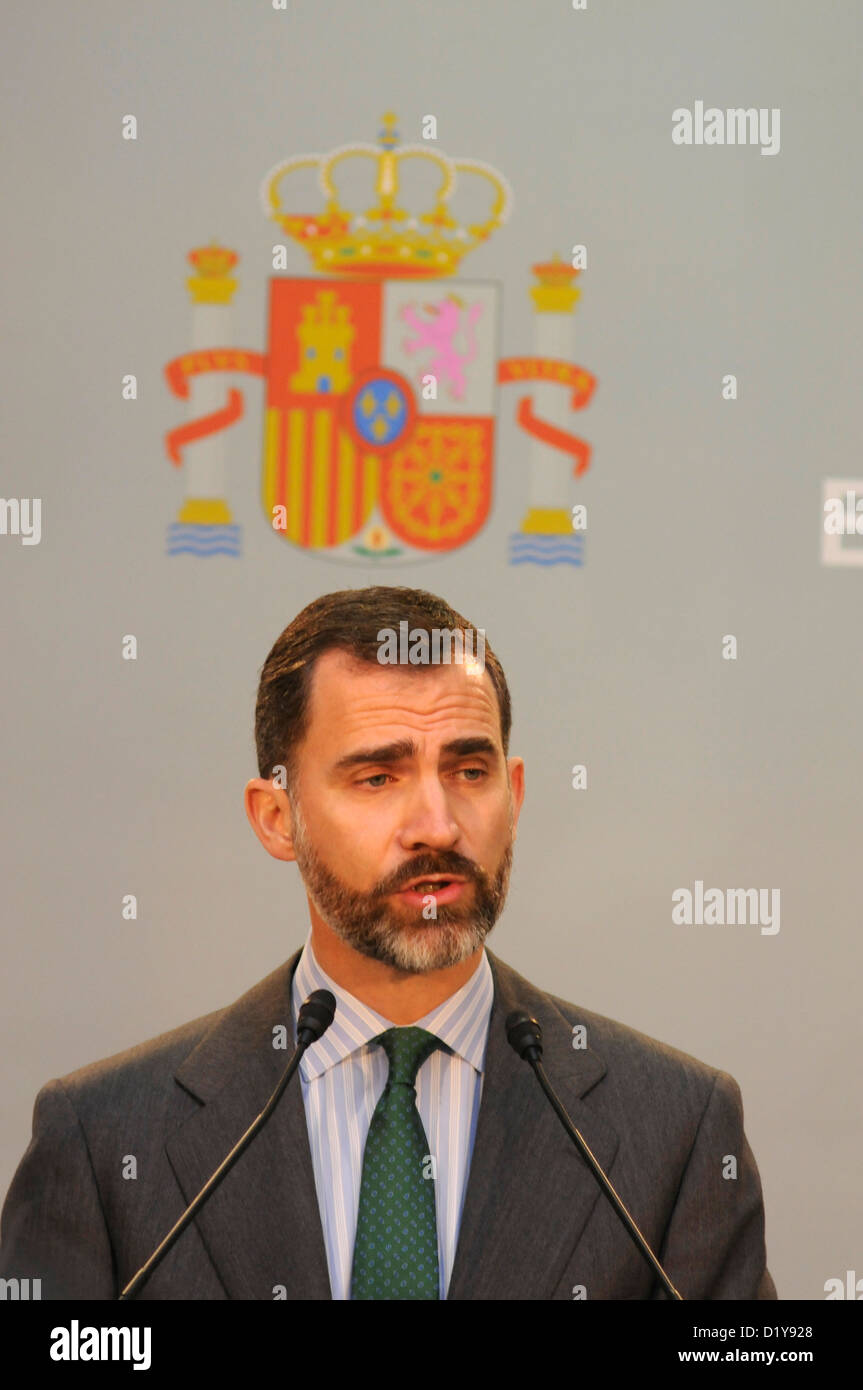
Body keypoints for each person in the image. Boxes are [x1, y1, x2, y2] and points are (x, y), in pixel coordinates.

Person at [0, 586, 777, 1300]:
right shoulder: (103, 1141)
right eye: (376, 778)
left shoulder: (676, 1128)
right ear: (277, 818)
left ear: (515, 795)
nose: (437, 826)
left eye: (469, 771)